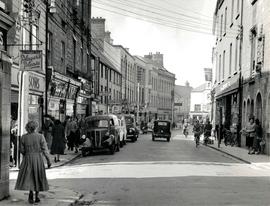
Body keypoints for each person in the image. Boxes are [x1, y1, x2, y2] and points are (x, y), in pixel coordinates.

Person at [15, 121, 51, 204]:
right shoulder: (40, 136)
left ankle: (31, 194)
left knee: (30, 177)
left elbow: (22, 150)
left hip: (27, 158)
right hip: (38, 158)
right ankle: (37, 196)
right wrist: (48, 160)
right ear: (35, 128)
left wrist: (27, 154)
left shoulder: (24, 137)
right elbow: (45, 150)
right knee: (38, 176)